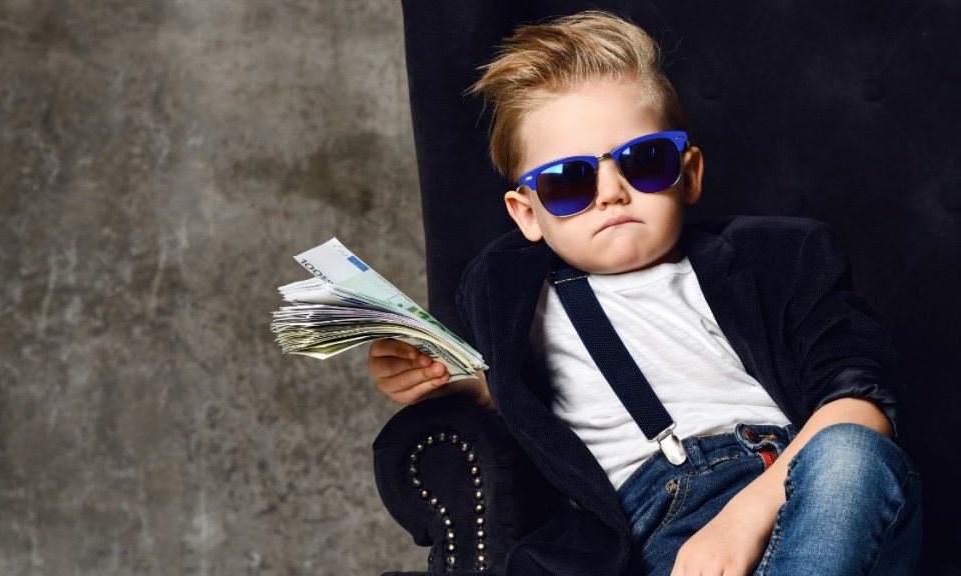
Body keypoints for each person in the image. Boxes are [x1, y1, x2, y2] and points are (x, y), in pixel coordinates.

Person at [368, 11, 922, 576]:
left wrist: (743, 518)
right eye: (569, 181)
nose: (611, 193)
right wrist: (432, 376)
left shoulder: (778, 259)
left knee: (852, 453)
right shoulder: (515, 300)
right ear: (527, 213)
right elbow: (512, 396)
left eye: (645, 162)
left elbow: (862, 404)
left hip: (799, 491)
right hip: (653, 533)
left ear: (689, 173)